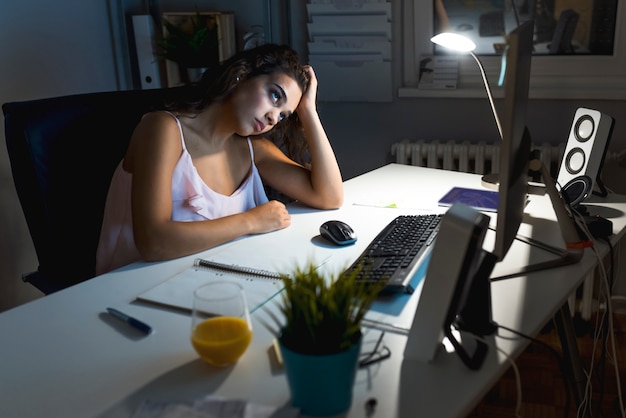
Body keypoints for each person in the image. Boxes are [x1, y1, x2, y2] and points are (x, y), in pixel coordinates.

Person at [96, 44, 343, 275]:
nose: (272, 118)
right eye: (274, 96)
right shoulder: (163, 129)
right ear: (241, 76)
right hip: (130, 288)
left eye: (282, 116)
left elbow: (329, 196)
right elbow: (153, 241)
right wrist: (251, 221)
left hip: (208, 278)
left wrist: (308, 112)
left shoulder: (252, 148)